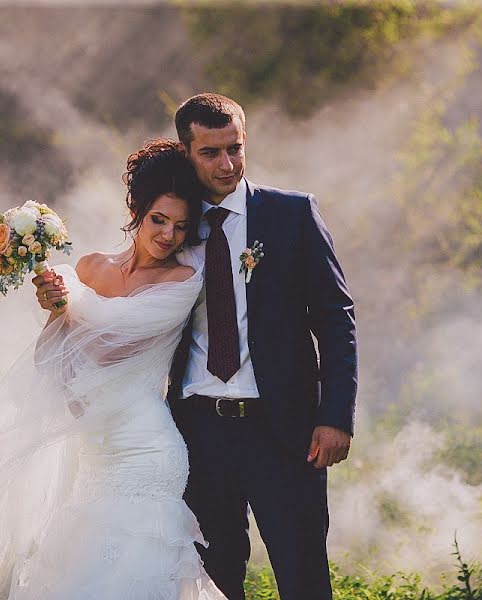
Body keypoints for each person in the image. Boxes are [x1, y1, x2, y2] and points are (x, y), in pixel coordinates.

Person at [0, 139, 228, 600]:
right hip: (95, 450)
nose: (168, 236)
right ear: (136, 212)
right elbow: (47, 358)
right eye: (159, 220)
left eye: (180, 226)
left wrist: (69, 304)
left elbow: (110, 349)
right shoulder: (91, 266)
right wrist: (55, 307)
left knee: (129, 574)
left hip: (144, 449)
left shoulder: (181, 280)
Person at [168, 93, 358, 600]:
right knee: (212, 581)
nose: (227, 164)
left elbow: (336, 320)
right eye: (211, 152)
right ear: (186, 152)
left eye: (236, 148)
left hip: (285, 432)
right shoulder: (170, 225)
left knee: (303, 579)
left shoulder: (291, 214)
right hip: (197, 433)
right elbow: (125, 296)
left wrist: (336, 414)